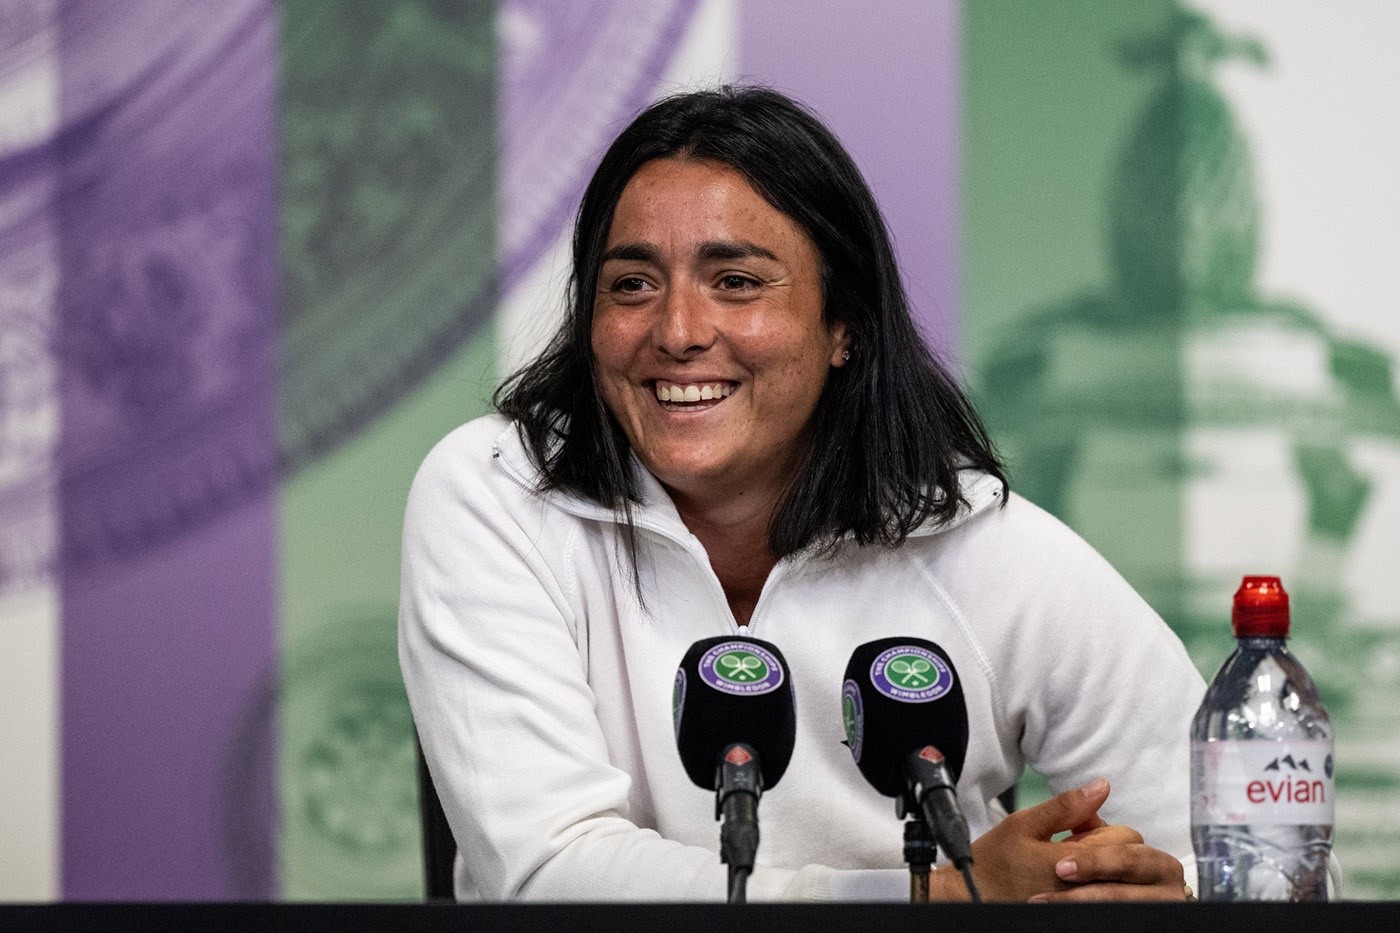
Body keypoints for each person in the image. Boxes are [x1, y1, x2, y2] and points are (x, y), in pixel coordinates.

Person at [399, 86, 1203, 902]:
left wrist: (1137, 890)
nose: (677, 331)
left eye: (736, 281)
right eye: (633, 284)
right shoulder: (499, 494)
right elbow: (547, 874)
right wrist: (941, 897)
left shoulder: (979, 545)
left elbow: (1235, 851)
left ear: (843, 324)